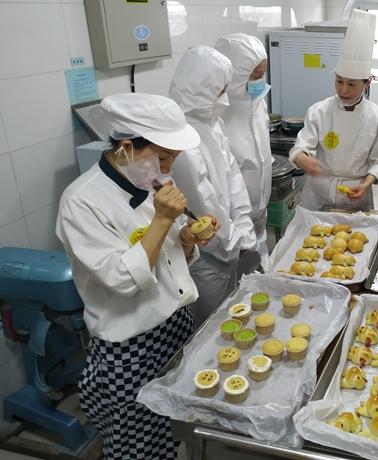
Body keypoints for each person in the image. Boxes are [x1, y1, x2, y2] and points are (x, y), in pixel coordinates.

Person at [56, 93, 217, 459]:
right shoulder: (81, 202)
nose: (167, 168)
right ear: (126, 148)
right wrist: (162, 220)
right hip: (130, 348)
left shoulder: (150, 184)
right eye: (162, 157)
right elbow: (123, 280)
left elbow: (169, 257)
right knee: (137, 448)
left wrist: (187, 239)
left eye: (172, 159)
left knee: (175, 429)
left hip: (175, 326)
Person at [169, 46, 257, 327]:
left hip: (229, 245)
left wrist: (243, 226)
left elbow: (233, 180)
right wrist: (234, 241)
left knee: (230, 315)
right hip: (205, 256)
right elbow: (202, 205)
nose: (226, 100)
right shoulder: (180, 137)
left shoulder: (211, 123)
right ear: (199, 90)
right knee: (209, 327)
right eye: (220, 91)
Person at [289, 9, 378, 211]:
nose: (343, 89)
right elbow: (301, 147)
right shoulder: (319, 111)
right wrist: (301, 158)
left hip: (356, 194)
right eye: (339, 81)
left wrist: (366, 184)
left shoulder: (376, 117)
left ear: (367, 83)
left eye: (352, 84)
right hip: (319, 192)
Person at [215, 33, 273, 272]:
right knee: (237, 280)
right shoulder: (217, 114)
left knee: (260, 268)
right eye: (256, 75)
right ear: (237, 75)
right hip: (233, 220)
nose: (261, 81)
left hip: (260, 210)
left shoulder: (258, 102)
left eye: (263, 74)